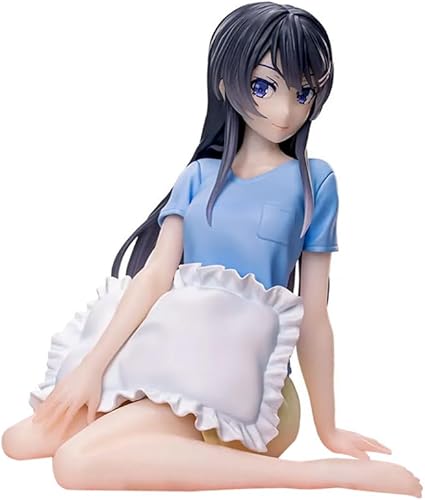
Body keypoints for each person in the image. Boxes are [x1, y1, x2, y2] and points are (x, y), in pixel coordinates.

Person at [1, 2, 422, 495]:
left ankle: (316, 476)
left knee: (74, 462)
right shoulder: (198, 177)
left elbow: (313, 314)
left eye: (303, 92)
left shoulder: (313, 182)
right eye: (264, 86)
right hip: (173, 361)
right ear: (226, 84)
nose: (286, 111)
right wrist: (91, 369)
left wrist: (328, 430)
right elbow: (155, 278)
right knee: (20, 441)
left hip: (244, 385)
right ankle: (145, 435)